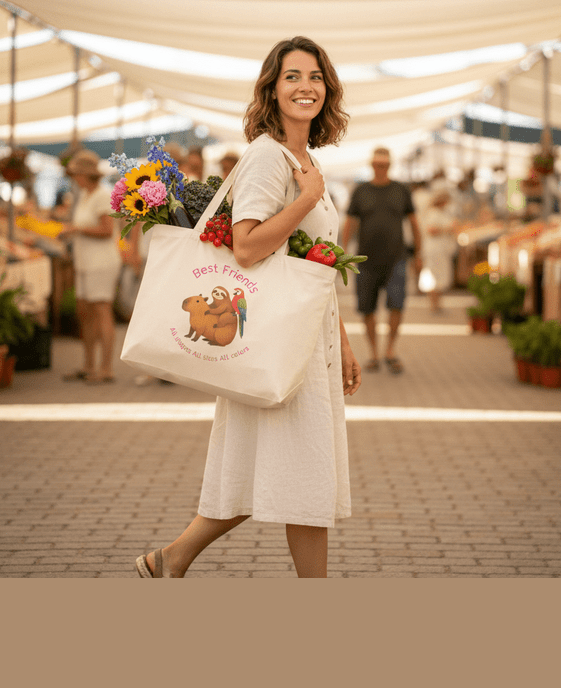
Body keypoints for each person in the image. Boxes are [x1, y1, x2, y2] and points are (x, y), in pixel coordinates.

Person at [135, 36, 361, 579]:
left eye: (315, 76)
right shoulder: (267, 156)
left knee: (286, 470)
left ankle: (173, 558)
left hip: (305, 337)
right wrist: (307, 200)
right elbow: (248, 244)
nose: (305, 86)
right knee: (302, 472)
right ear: (272, 88)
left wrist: (344, 340)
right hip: (276, 337)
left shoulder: (302, 157)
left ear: (327, 89)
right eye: (292, 77)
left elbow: (315, 263)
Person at [341, 148, 422, 374]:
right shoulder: (361, 191)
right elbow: (350, 223)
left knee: (397, 305)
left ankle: (390, 351)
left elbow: (414, 223)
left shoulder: (401, 190)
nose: (381, 169)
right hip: (366, 261)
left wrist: (418, 254)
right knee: (367, 308)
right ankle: (374, 353)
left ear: (390, 166)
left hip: (396, 258)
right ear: (371, 165)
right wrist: (344, 253)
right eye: (377, 165)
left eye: (384, 165)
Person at [59, 149, 122, 384]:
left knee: (102, 311)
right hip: (85, 263)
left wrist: (76, 230)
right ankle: (88, 365)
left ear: (85, 174)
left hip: (102, 263)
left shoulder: (102, 195)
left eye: (76, 173)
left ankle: (106, 368)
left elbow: (107, 231)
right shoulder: (85, 195)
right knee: (84, 313)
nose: (74, 177)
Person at [420, 189, 458, 313]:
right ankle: (434, 303)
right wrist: (447, 229)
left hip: (442, 249)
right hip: (435, 250)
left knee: (441, 276)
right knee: (434, 276)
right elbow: (431, 230)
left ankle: (437, 303)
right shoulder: (433, 213)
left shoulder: (443, 213)